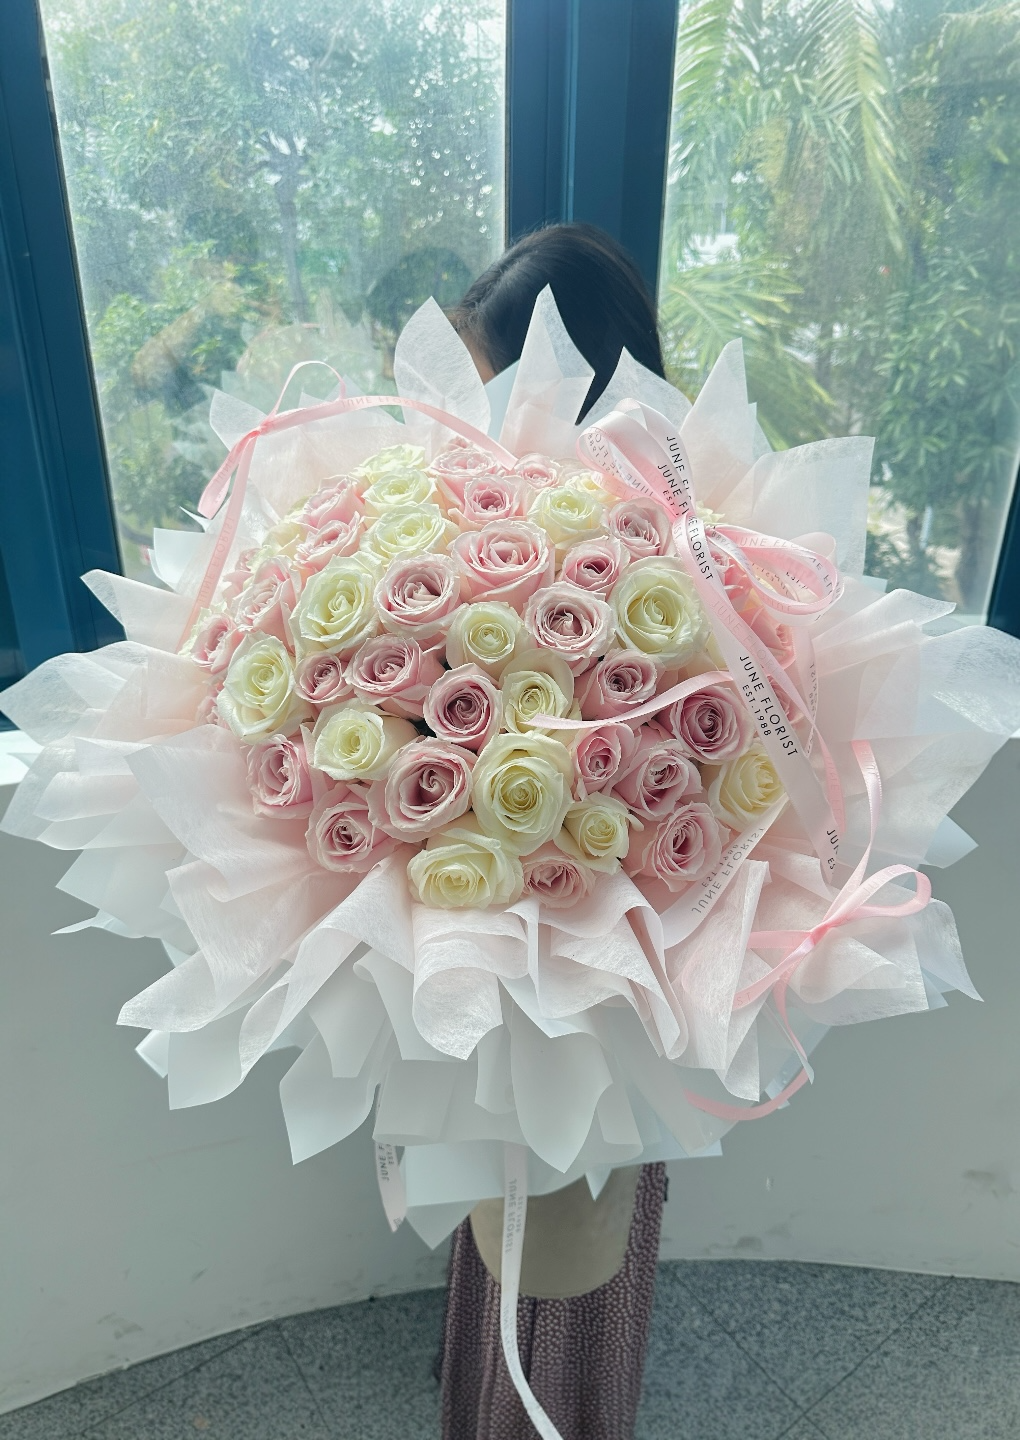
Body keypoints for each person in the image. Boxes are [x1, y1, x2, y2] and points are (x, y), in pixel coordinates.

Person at [437, 221, 669, 1440]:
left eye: (497, 387)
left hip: (604, 979)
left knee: (573, 1236)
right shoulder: (492, 532)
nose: (481, 421)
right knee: (500, 1216)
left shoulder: (664, 553)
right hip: (505, 972)